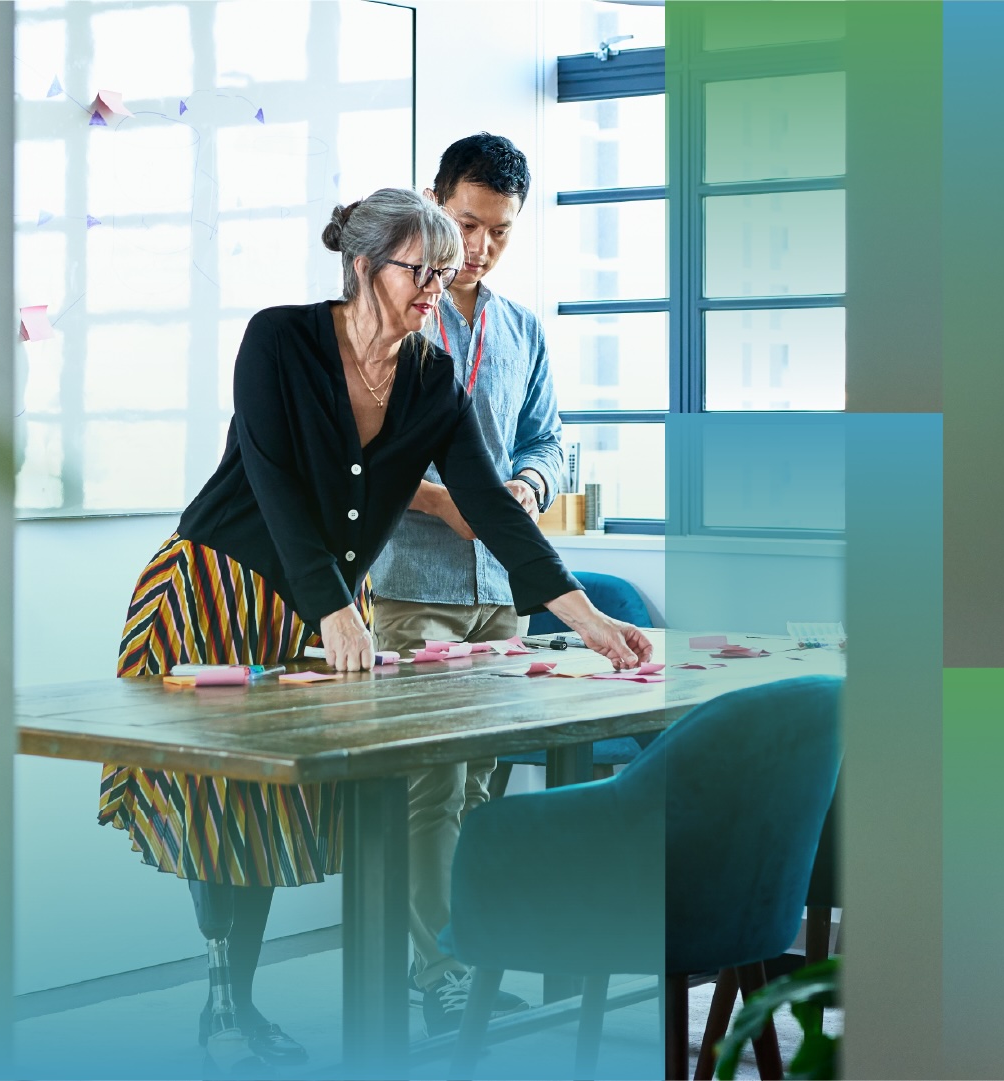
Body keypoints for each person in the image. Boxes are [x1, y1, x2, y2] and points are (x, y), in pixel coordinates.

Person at [98, 188, 653, 1069]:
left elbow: (492, 511)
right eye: (419, 269)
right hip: (212, 588)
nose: (438, 284)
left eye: (445, 270)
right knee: (219, 805)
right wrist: (337, 608)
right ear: (362, 267)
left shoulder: (432, 378)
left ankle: (232, 1009)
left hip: (304, 604)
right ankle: (226, 999)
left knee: (268, 813)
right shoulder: (279, 340)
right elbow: (276, 487)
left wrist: (583, 614)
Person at [366, 133, 568, 1035]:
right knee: (433, 784)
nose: (480, 246)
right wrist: (447, 503)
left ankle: (467, 953)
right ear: (430, 202)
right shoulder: (396, 310)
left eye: (499, 231)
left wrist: (529, 486)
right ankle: (437, 968)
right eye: (466, 222)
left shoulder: (520, 328)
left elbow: (549, 439)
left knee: (485, 779)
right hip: (415, 582)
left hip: (500, 588)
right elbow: (354, 452)